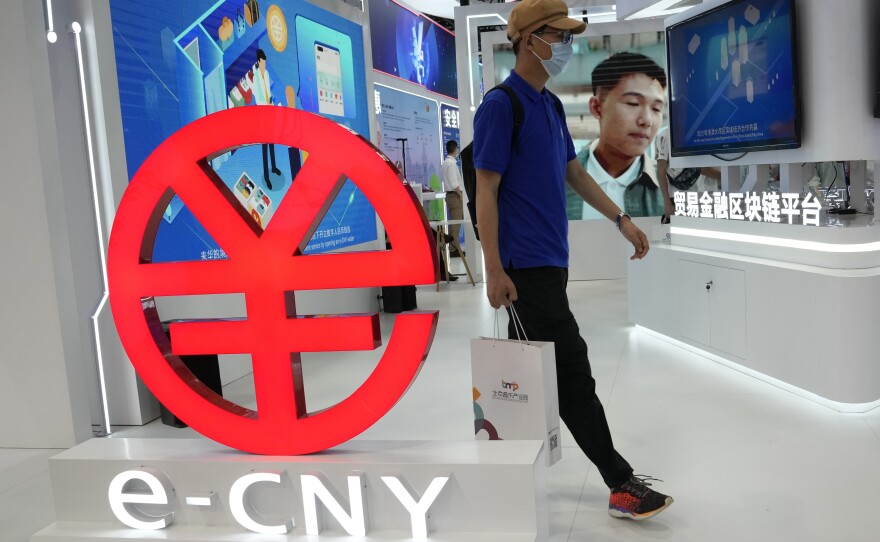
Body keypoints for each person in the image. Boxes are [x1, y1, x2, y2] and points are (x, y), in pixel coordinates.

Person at [473, 0, 673, 521]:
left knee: (529, 377)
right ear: (530, 39)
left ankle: (506, 475)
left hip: (551, 264)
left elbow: (575, 174)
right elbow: (485, 189)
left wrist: (621, 219)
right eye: (558, 35)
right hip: (524, 270)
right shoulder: (502, 105)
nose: (565, 46)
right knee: (572, 375)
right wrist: (493, 268)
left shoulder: (550, 106)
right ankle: (620, 482)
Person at [575, 52, 667, 221]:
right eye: (633, 103)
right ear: (597, 108)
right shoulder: (557, 180)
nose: (647, 120)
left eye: (656, 109)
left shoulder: (669, 186)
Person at [655, 126, 721, 222]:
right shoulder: (665, 136)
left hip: (704, 194)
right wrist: (667, 203)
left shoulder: (701, 131)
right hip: (681, 196)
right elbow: (661, 170)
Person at [251, 49, 282, 189]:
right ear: (258, 62)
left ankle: (274, 167)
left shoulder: (267, 74)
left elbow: (268, 92)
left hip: (269, 112)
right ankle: (266, 175)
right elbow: (258, 98)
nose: (264, 64)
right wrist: (267, 105)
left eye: (265, 62)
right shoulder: (256, 77)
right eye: (263, 62)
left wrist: (271, 102)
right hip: (262, 114)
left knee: (272, 142)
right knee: (264, 145)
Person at [440, 140, 464, 255]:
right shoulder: (452, 164)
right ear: (454, 150)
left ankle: (452, 247)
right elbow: (455, 184)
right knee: (456, 223)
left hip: (449, 196)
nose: (458, 151)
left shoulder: (445, 163)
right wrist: (461, 196)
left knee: (454, 222)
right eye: (457, 149)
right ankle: (453, 249)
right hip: (455, 196)